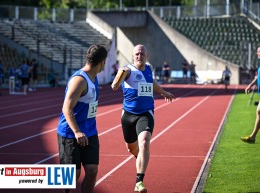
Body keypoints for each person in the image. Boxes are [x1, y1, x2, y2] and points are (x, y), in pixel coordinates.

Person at [111, 44, 176, 193]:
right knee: (132, 148)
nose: (139, 56)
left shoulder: (148, 69)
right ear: (133, 56)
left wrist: (163, 92)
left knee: (145, 143)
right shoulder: (127, 70)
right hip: (128, 115)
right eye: (137, 54)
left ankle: (139, 181)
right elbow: (116, 84)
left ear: (147, 57)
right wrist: (117, 80)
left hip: (146, 113)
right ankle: (139, 157)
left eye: (142, 54)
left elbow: (150, 82)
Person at [57, 45, 108, 193]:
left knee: (92, 172)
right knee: (72, 176)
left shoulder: (94, 77)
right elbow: (66, 108)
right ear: (102, 62)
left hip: (90, 132)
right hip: (71, 133)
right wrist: (77, 132)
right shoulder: (80, 80)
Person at [241, 45, 260, 144]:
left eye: (259, 51)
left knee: (259, 111)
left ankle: (252, 137)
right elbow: (257, 77)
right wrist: (250, 85)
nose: (257, 53)